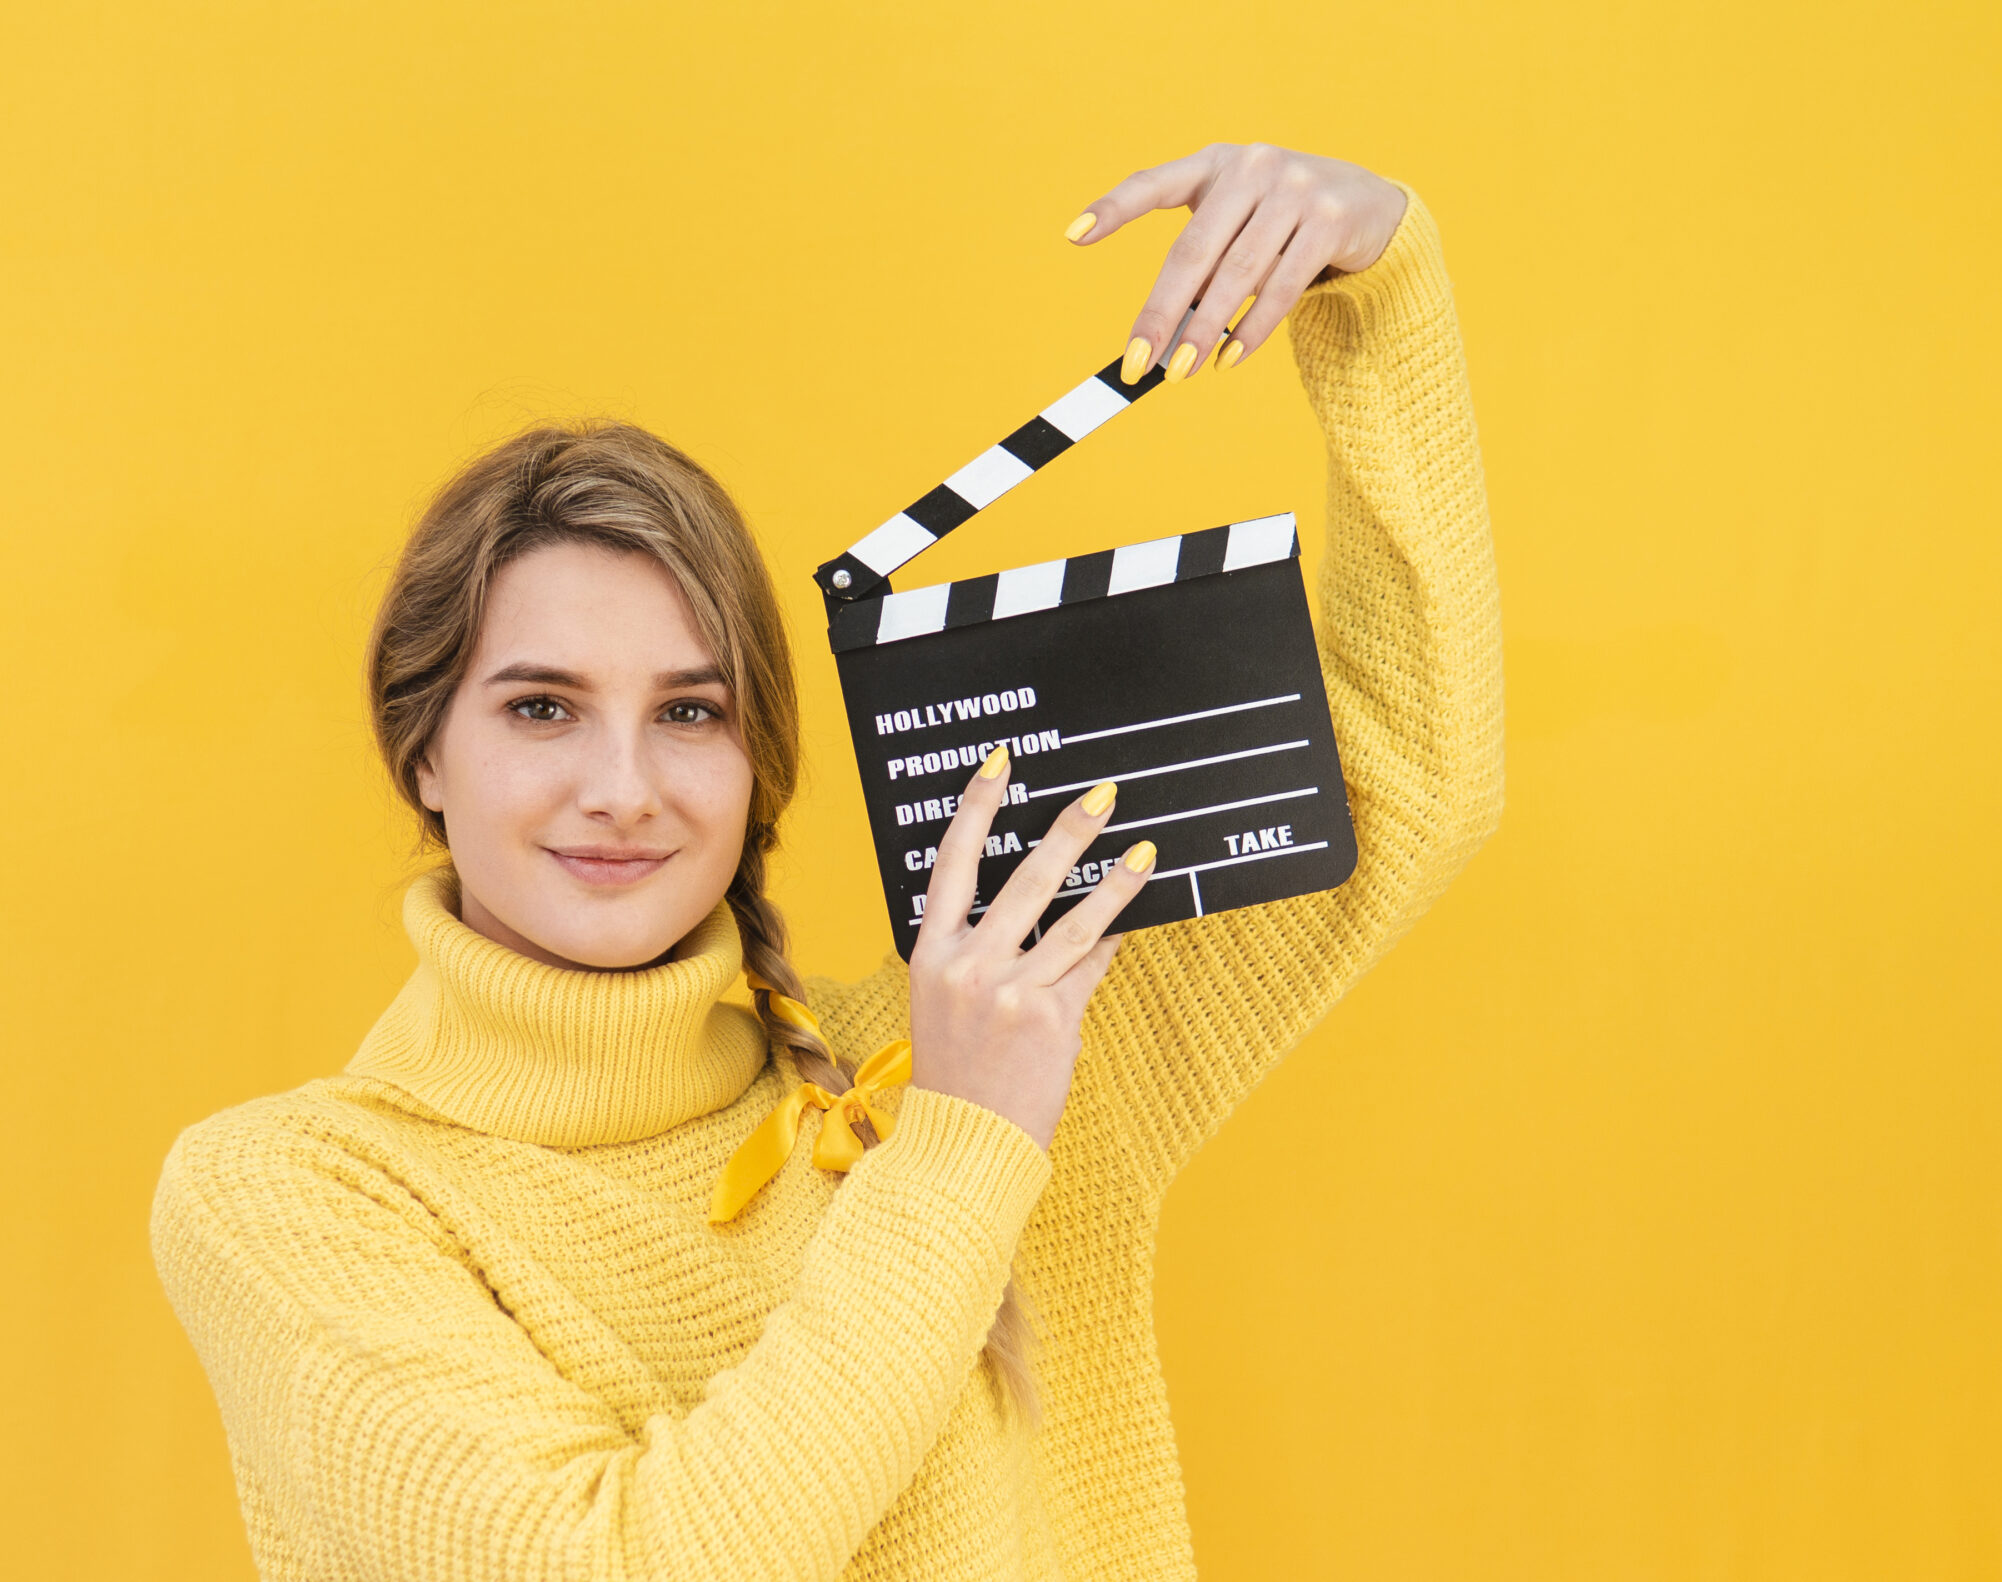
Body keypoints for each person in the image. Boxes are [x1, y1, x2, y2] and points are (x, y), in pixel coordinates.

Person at [152, 140, 1502, 1582]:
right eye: (541, 706)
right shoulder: (300, 1191)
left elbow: (1406, 781)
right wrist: (969, 1147)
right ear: (424, 750)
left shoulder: (986, 1038)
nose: (622, 789)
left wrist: (1381, 278)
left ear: (758, 768)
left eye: (691, 711)